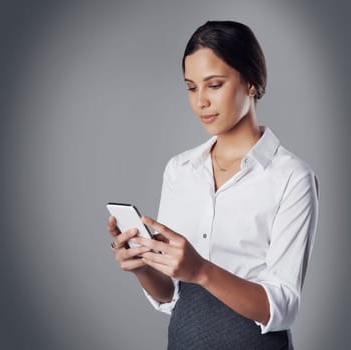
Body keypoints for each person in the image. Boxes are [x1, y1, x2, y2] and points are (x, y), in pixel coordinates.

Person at [107, 20, 319, 350]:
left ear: (251, 81)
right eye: (191, 88)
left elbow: (284, 306)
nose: (200, 101)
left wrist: (202, 271)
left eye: (214, 84)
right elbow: (171, 295)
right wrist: (142, 266)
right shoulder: (179, 170)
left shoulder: (292, 177)